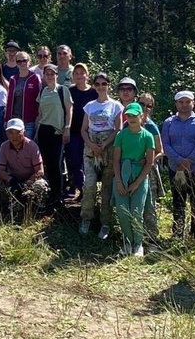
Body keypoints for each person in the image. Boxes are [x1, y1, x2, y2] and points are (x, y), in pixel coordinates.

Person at [80, 73, 124, 238]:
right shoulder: (89, 106)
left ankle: (105, 223)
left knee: (107, 187)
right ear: (94, 86)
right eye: (97, 84)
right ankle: (86, 218)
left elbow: (117, 129)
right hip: (91, 148)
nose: (100, 86)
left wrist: (104, 145)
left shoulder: (115, 105)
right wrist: (91, 145)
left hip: (109, 147)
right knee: (89, 185)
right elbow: (83, 129)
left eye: (104, 83)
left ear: (108, 85)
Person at [162, 90, 195, 239]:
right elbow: (165, 144)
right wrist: (179, 161)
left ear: (193, 103)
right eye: (181, 102)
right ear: (176, 104)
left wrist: (188, 161)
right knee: (178, 200)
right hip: (175, 169)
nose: (184, 105)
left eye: (187, 102)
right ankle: (178, 232)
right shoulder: (168, 122)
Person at [112, 102, 155, 257]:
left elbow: (149, 162)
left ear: (141, 116)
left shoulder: (147, 136)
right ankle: (127, 243)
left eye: (134, 115)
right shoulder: (121, 135)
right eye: (128, 115)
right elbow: (116, 160)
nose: (131, 118)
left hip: (140, 176)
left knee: (137, 212)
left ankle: (138, 244)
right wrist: (119, 181)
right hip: (121, 175)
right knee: (122, 212)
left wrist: (137, 183)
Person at [36, 64, 73, 210]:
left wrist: (67, 128)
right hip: (44, 130)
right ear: (44, 76)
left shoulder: (62, 90)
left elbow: (70, 110)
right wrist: (36, 133)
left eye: (52, 74)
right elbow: (40, 114)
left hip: (57, 131)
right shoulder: (43, 91)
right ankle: (52, 194)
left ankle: (59, 196)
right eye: (47, 74)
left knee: (56, 165)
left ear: (57, 75)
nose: (50, 76)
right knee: (47, 164)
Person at [0, 119, 49, 215]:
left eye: (18, 132)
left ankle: (36, 205)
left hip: (30, 180)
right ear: (7, 133)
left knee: (40, 185)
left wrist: (28, 182)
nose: (14, 136)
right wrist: (11, 180)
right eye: (11, 133)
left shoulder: (32, 146)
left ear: (23, 132)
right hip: (14, 179)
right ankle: (11, 202)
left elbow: (40, 171)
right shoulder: (4, 146)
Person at [135, 92, 165, 246]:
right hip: (132, 170)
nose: (145, 108)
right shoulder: (129, 123)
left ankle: (152, 240)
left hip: (149, 171)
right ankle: (135, 239)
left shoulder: (151, 126)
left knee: (149, 205)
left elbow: (160, 151)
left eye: (149, 106)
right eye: (142, 104)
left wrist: (148, 160)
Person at [66, 63, 97, 200]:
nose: (79, 76)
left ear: (87, 75)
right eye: (76, 73)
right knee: (76, 161)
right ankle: (82, 189)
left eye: (82, 73)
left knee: (89, 162)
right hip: (74, 132)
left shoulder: (94, 92)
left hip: (91, 132)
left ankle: (91, 191)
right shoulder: (69, 91)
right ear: (73, 76)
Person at [4, 51, 41, 139]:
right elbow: (9, 100)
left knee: (27, 147)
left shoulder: (35, 78)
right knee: (14, 147)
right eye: (19, 61)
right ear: (16, 63)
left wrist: (38, 119)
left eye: (24, 60)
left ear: (29, 61)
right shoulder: (13, 79)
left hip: (29, 120)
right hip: (14, 120)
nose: (22, 63)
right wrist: (6, 119)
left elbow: (39, 101)